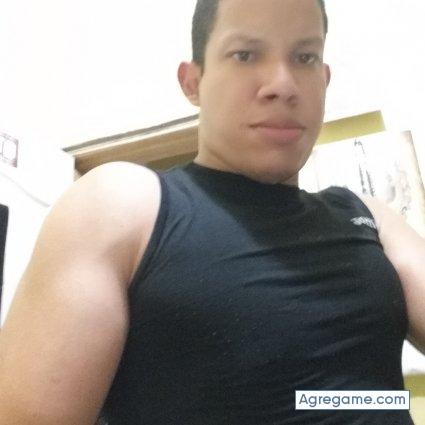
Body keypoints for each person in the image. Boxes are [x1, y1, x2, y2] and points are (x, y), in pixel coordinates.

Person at [0, 0, 423, 423]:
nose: (283, 84)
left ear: (324, 80)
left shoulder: (371, 218)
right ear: (193, 82)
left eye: (305, 57)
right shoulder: (120, 205)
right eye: (246, 54)